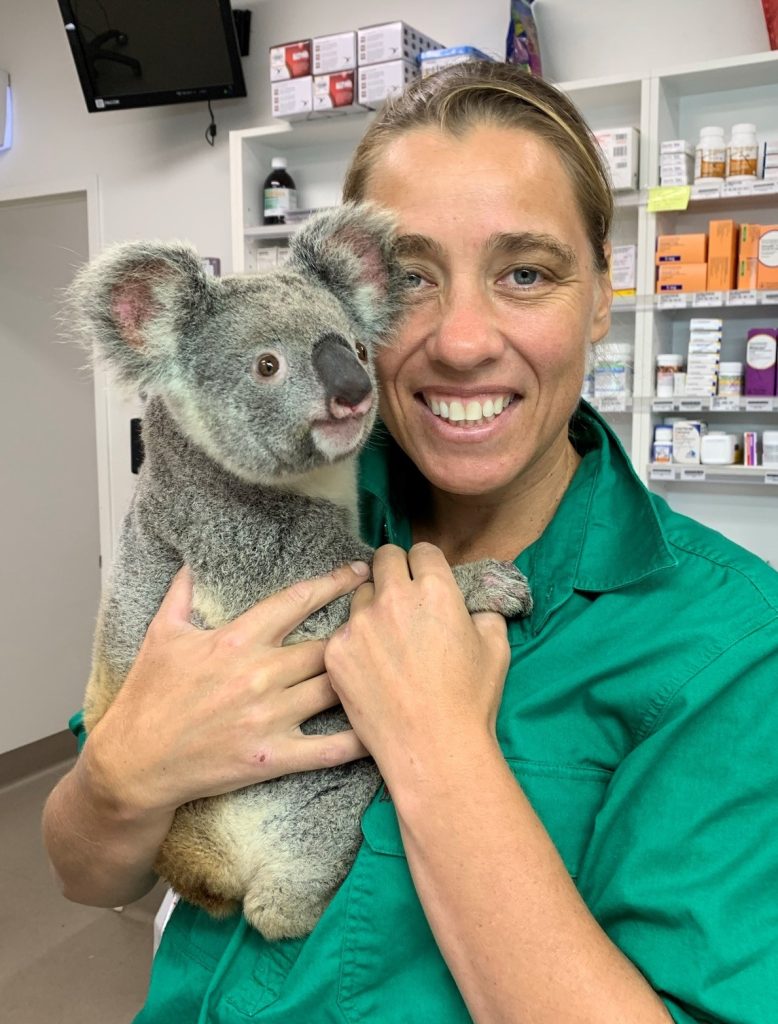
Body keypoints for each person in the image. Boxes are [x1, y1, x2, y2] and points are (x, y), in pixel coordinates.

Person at [43, 61, 778, 1024]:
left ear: (603, 295)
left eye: (526, 272)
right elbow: (86, 872)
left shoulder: (728, 645)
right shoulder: (247, 500)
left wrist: (437, 747)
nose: (464, 341)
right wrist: (124, 772)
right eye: (413, 278)